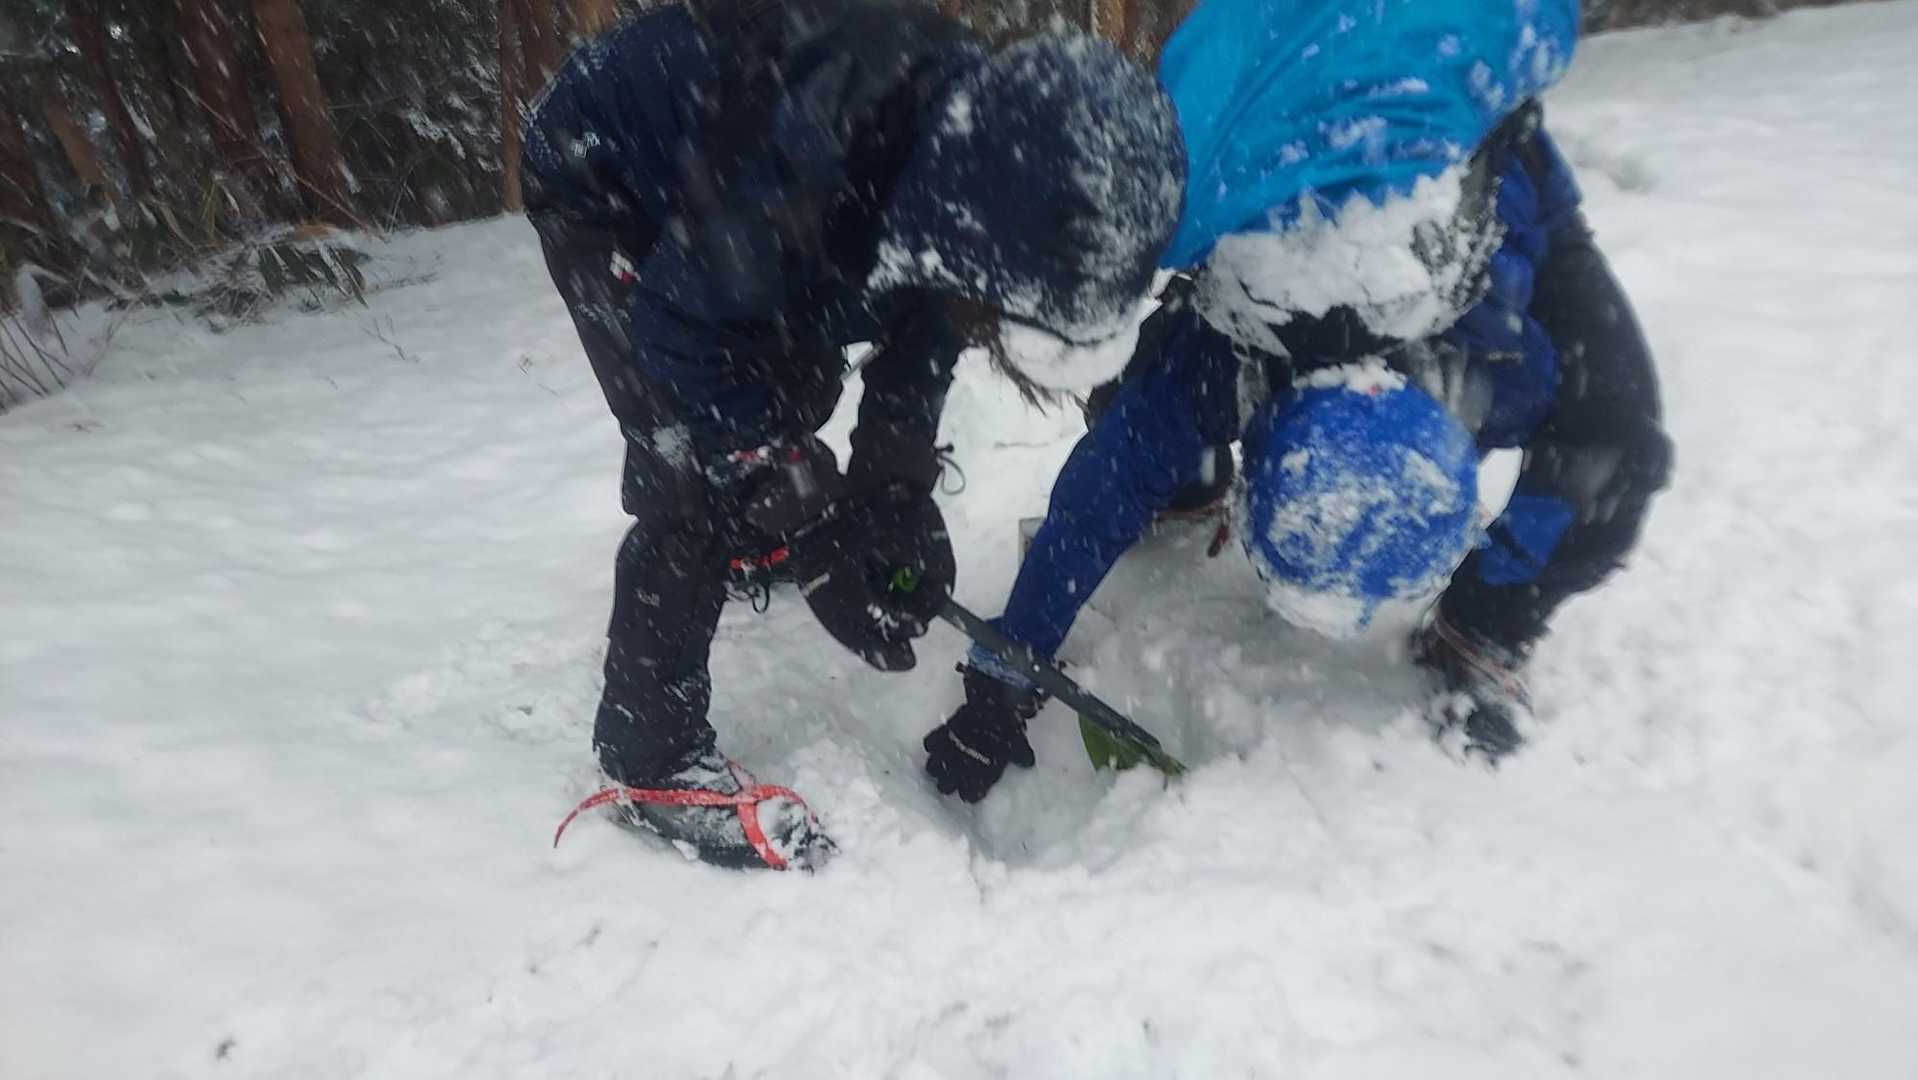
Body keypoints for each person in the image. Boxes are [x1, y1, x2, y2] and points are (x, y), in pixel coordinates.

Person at [923, 0, 1672, 802]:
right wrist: (1002, 678)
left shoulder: (1517, 363)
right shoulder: (1229, 354)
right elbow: (1093, 503)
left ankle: (1484, 624)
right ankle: (1186, 483)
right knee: (1142, 398)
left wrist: (1507, 581)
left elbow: (1618, 447)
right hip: (1295, 141)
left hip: (1493, 167)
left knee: (1614, 455)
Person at [526, 0, 1186, 868]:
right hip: (606, 177)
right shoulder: (798, 166)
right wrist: (803, 511)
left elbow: (929, 318)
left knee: (788, 382)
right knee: (690, 452)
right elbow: (682, 334)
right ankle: (651, 757)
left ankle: (753, 534)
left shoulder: (970, 163)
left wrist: (890, 488)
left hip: (739, 207)